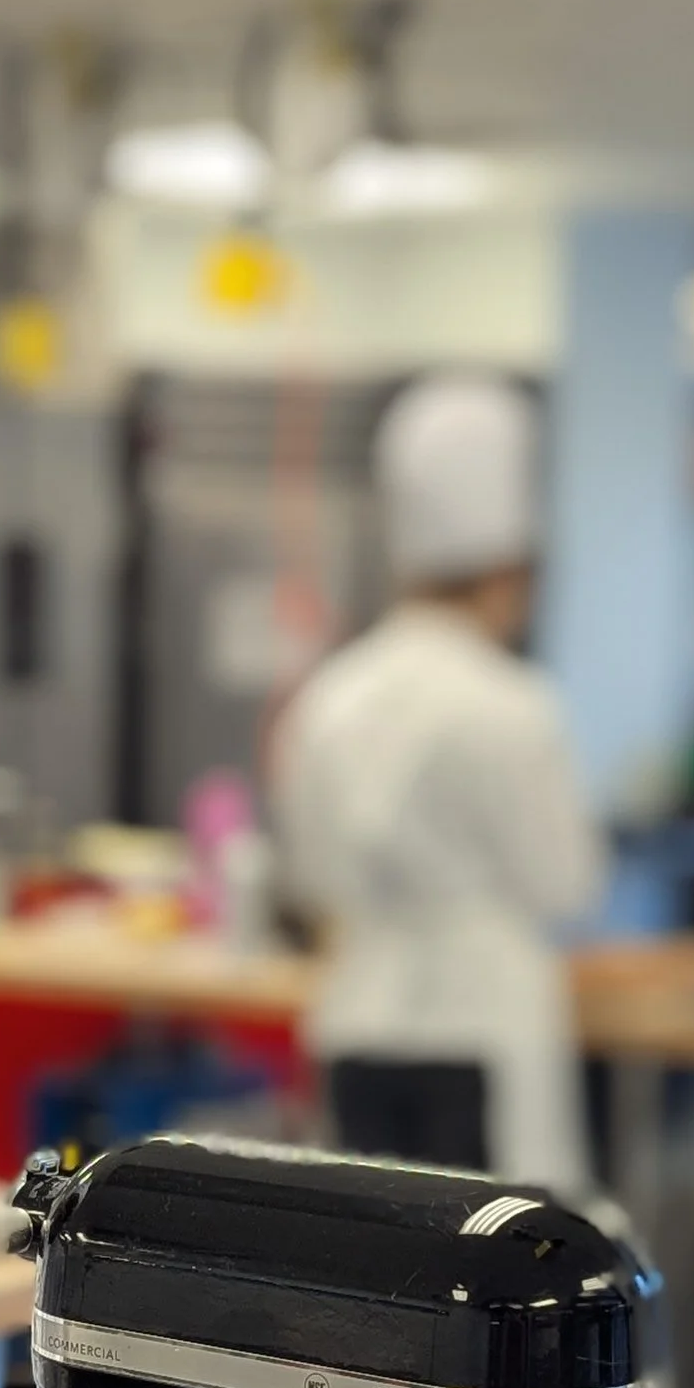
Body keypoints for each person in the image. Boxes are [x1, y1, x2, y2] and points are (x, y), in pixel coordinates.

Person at [270, 368, 604, 1191]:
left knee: (369, 1247)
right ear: (511, 569)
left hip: (356, 1018)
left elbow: (310, 879)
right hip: (480, 1025)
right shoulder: (511, 703)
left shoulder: (329, 697)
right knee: (488, 1250)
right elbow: (567, 884)